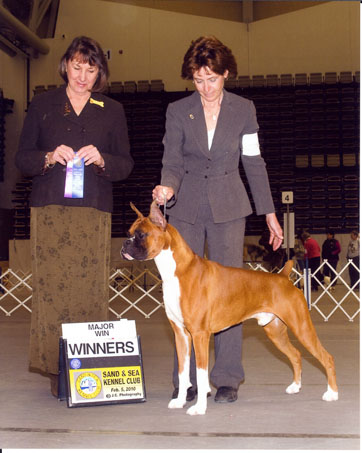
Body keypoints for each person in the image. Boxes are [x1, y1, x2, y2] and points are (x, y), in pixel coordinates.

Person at [152, 36, 283, 404]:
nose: (205, 88)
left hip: (229, 208)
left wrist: (269, 212)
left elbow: (253, 163)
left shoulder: (244, 109)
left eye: (212, 78)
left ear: (226, 74)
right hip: (186, 208)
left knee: (229, 294)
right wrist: (166, 188)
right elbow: (172, 162)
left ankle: (226, 377)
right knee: (185, 297)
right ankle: (188, 380)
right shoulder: (178, 111)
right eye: (197, 80)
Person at [15, 36, 134, 396]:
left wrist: (102, 161)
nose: (82, 76)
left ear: (100, 72)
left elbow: (125, 164)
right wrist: (48, 156)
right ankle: (56, 368)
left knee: (90, 289)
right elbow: (22, 158)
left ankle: (88, 369)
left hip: (94, 212)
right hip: (50, 208)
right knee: (51, 290)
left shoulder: (112, 110)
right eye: (77, 66)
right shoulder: (43, 104)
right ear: (66, 64)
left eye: (91, 68)